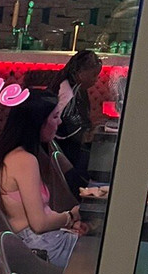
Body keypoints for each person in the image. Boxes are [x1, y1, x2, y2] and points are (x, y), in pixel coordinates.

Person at [0, 92, 81, 268]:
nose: (59, 122)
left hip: (37, 241)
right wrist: (71, 216)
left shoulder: (15, 156)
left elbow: (42, 216)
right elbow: (39, 224)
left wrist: (70, 222)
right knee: (100, 251)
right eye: (55, 117)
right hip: (40, 247)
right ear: (37, 123)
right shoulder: (25, 161)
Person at [49, 50, 102, 192]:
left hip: (71, 146)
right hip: (63, 149)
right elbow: (63, 126)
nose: (96, 79)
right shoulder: (66, 92)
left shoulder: (77, 87)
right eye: (94, 75)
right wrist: (87, 135)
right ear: (80, 73)